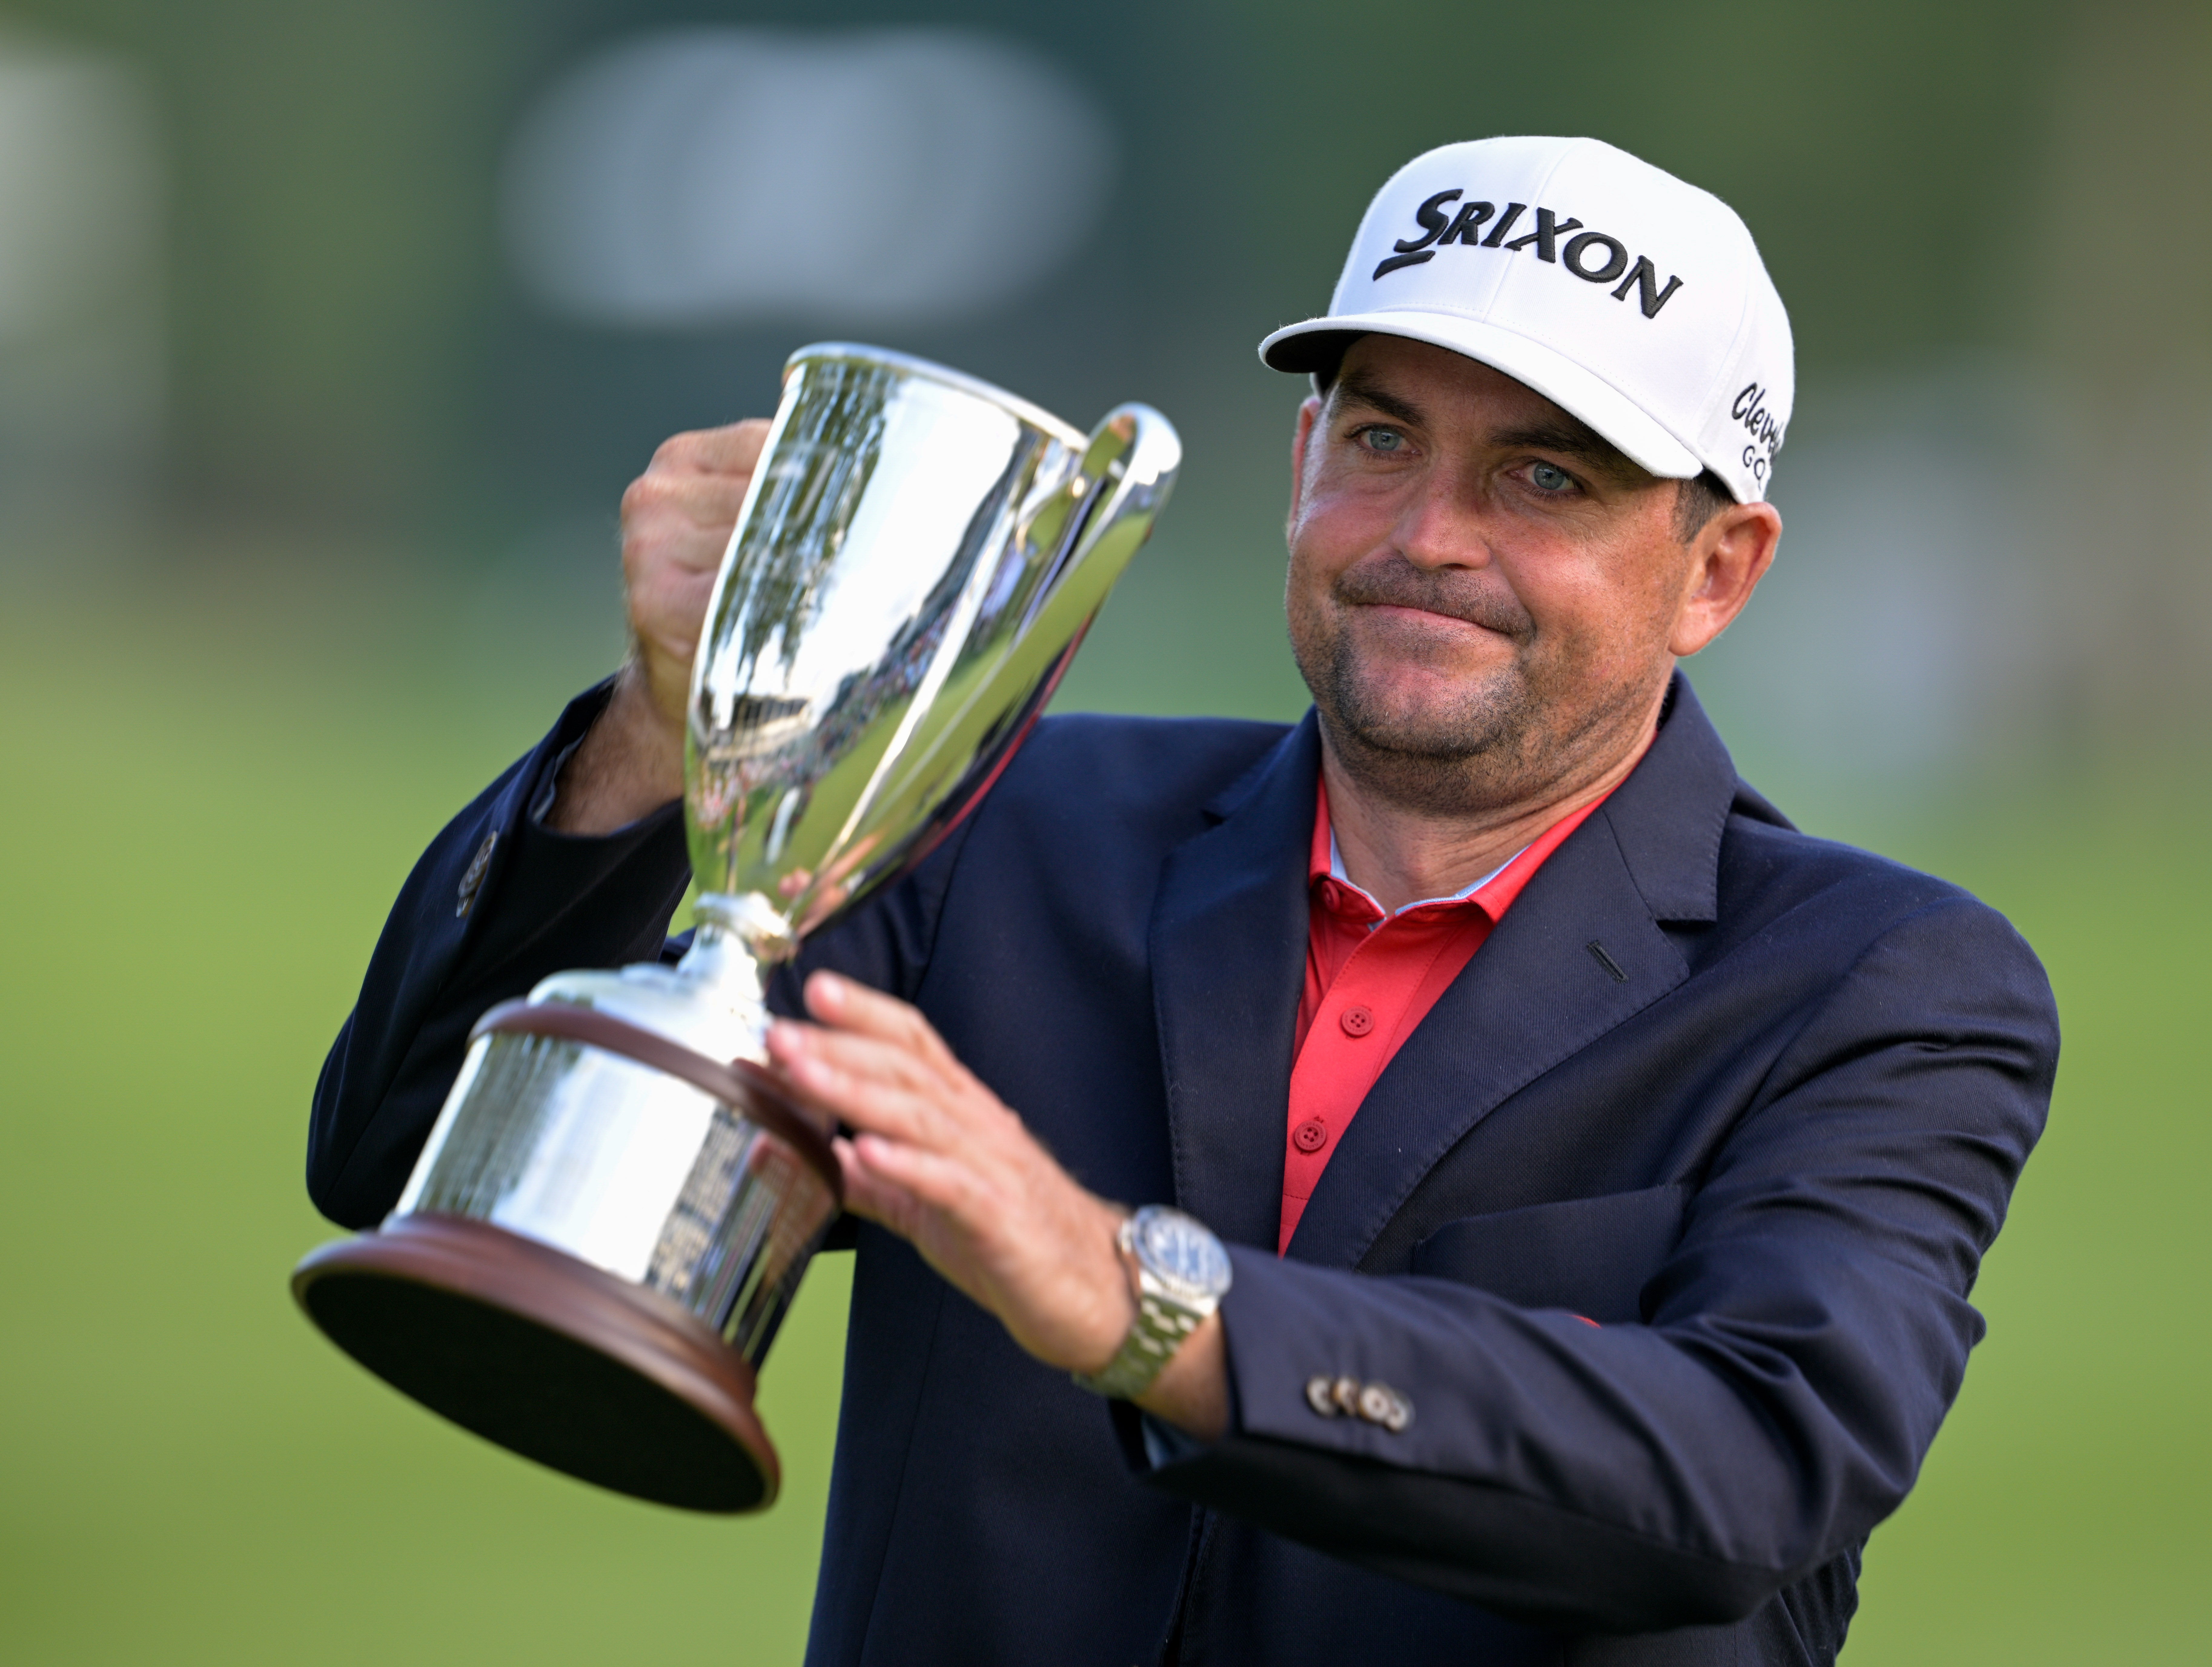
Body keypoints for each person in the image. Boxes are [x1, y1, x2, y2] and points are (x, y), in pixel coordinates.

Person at [308, 135, 2056, 1666]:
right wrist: (658, 726)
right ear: (1304, 461)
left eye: (1549, 479)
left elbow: (1743, 1474)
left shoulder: (1878, 985)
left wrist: (1129, 1296)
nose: (1429, 531)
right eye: (1383, 437)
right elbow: (424, 1166)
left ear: (1718, 570)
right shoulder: (1000, 825)